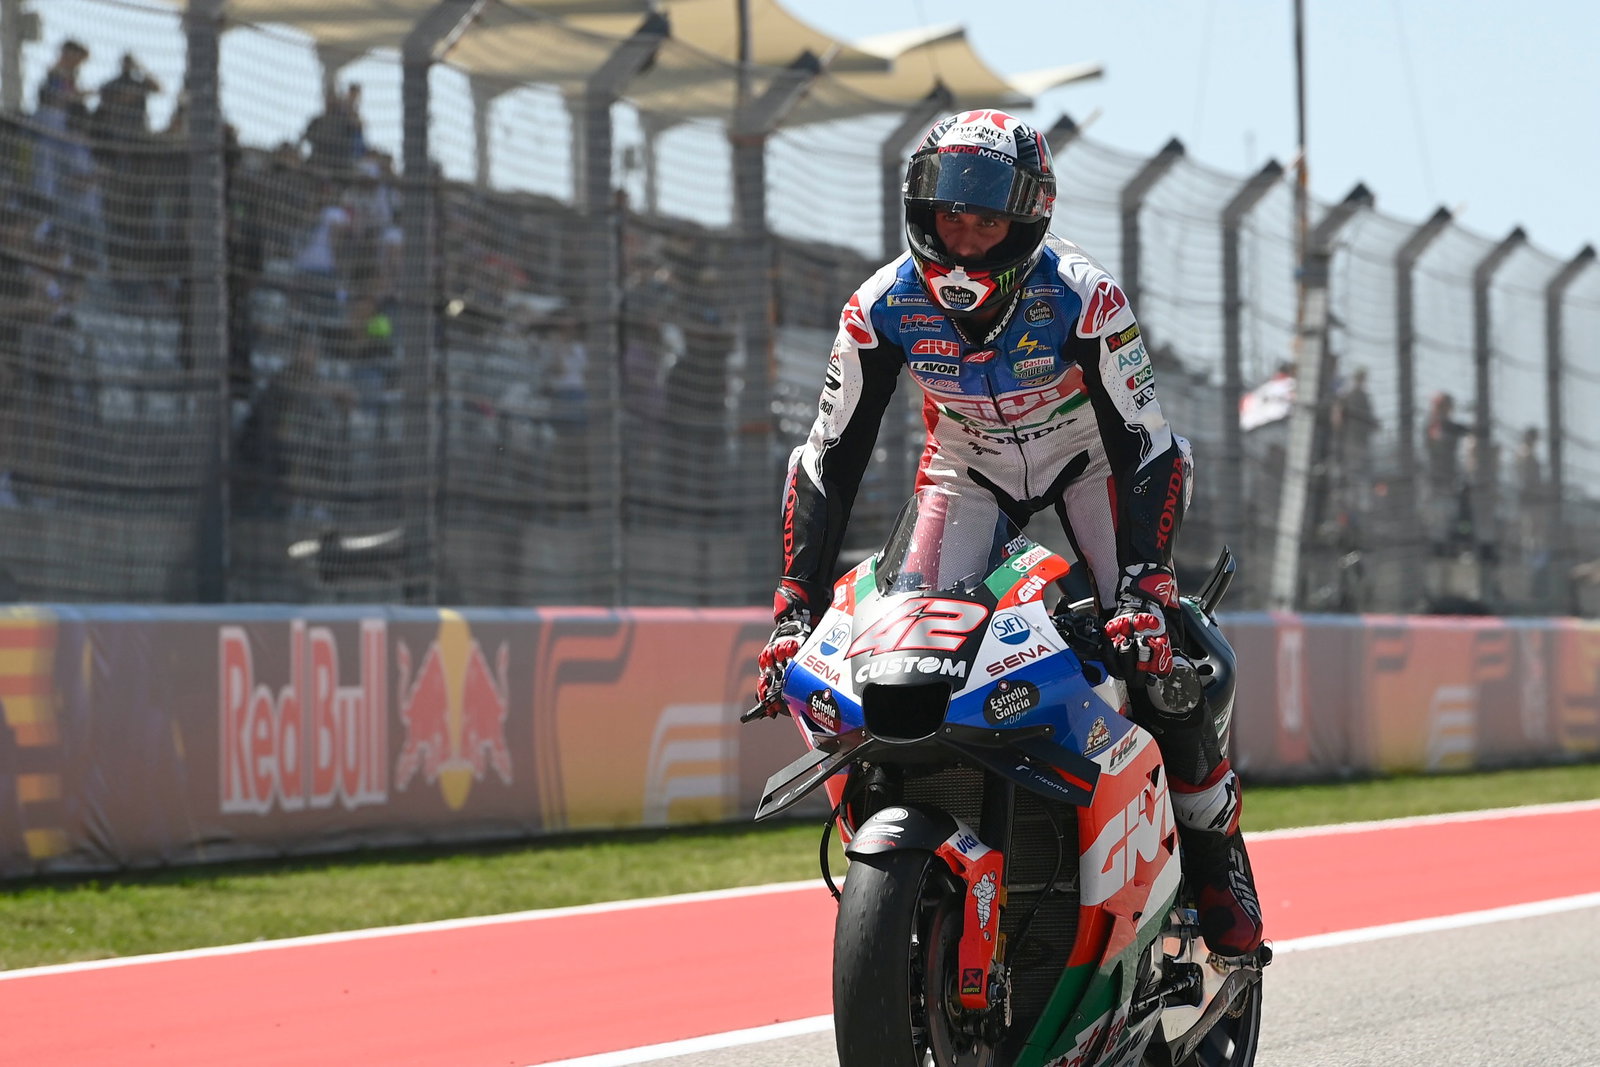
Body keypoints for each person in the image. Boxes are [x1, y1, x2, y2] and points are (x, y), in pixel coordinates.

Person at [754, 109, 1263, 958]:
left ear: (1026, 221)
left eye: (985, 217)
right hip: (965, 469)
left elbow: (1150, 444)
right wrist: (791, 610)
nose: (963, 235)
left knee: (1156, 652)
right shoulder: (879, 305)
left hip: (1092, 464)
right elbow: (827, 457)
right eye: (949, 213)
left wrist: (1145, 586)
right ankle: (925, 845)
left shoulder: (1085, 294)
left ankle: (1215, 845)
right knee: (906, 652)